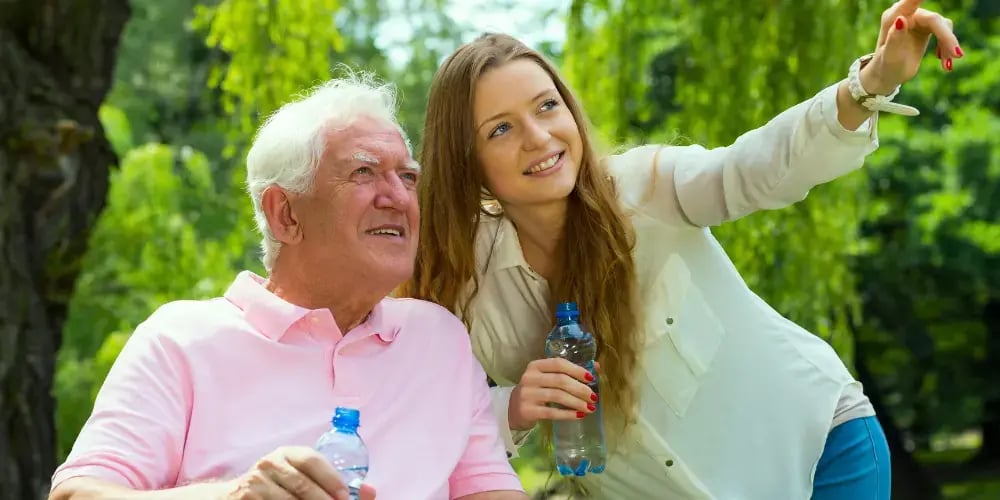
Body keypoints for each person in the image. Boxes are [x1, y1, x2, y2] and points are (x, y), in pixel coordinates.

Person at [400, 1, 962, 498]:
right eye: (500, 129)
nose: (539, 137)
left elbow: (756, 167)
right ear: (466, 162)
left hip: (819, 452)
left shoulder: (645, 187)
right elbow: (435, 420)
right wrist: (514, 405)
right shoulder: (462, 286)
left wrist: (869, 84)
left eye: (547, 107)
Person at [49, 73, 528, 500]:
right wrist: (233, 497)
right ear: (286, 214)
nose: (399, 198)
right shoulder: (180, 338)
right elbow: (78, 495)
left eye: (407, 177)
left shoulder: (438, 338)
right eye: (364, 172)